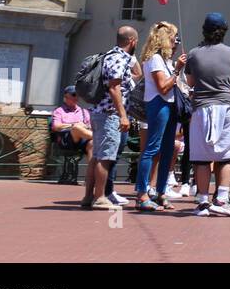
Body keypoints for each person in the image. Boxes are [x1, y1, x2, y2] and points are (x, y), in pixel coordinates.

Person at [185, 12, 230, 217]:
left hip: (201, 108)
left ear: (204, 30)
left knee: (201, 158)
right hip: (226, 107)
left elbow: (190, 83)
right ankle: (221, 198)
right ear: (224, 31)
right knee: (227, 155)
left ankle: (202, 202)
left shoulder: (193, 54)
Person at [81, 26, 140, 210]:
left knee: (97, 156)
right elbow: (114, 87)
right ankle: (100, 197)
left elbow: (137, 74)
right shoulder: (118, 59)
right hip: (110, 114)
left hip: (100, 112)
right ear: (132, 41)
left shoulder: (111, 56)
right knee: (104, 157)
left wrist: (132, 56)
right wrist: (123, 115)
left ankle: (88, 196)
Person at [134, 22, 188, 212]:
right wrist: (177, 70)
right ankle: (141, 193)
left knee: (167, 150)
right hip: (158, 104)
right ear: (166, 39)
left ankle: (161, 191)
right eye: (174, 38)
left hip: (169, 106)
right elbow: (163, 87)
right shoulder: (155, 60)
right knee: (152, 148)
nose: (176, 42)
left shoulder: (165, 60)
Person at [51, 86, 92, 165]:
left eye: (78, 95)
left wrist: (85, 126)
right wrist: (74, 125)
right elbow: (55, 126)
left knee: (92, 144)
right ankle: (100, 138)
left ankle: (92, 175)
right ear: (66, 97)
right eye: (73, 94)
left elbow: (90, 126)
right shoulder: (59, 111)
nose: (76, 97)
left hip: (84, 140)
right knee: (76, 127)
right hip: (67, 141)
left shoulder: (84, 111)